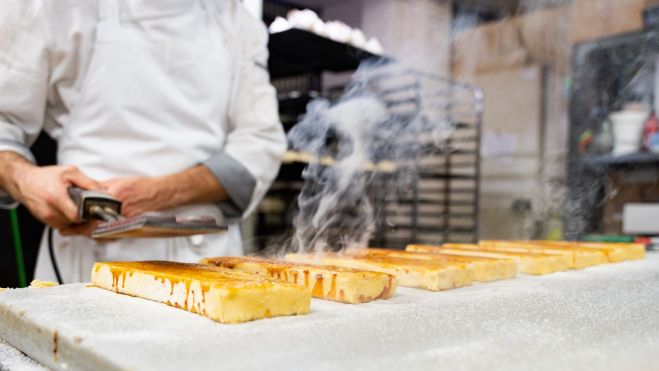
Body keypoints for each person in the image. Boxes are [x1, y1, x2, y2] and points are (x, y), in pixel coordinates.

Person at [0, 0, 286, 283]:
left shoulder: (237, 20)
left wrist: (162, 192)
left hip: (205, 260)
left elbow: (261, 141)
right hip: (90, 259)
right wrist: (25, 180)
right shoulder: (47, 6)